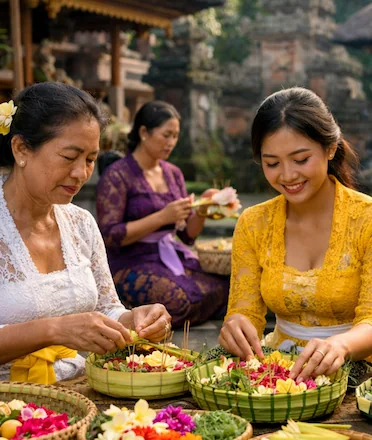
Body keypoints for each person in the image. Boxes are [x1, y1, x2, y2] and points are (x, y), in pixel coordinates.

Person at [0, 82, 171, 384]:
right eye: (69, 157)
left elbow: (106, 308)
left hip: (79, 388)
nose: (81, 173)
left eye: (90, 160)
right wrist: (54, 330)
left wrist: (136, 319)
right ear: (21, 149)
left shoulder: (80, 223)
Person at [219, 86, 372, 381]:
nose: (287, 175)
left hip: (360, 368)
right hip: (281, 372)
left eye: (301, 160)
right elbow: (245, 312)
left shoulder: (366, 220)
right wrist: (236, 325)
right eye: (272, 163)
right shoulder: (253, 224)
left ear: (330, 148)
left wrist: (340, 345)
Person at [96, 100, 229, 328]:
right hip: (130, 261)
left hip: (169, 257)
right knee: (175, 301)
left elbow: (188, 236)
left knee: (230, 285)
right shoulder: (117, 175)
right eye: (166, 135)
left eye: (175, 136)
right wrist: (162, 217)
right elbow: (110, 235)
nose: (171, 143)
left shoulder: (173, 173)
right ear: (144, 132)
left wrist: (202, 209)